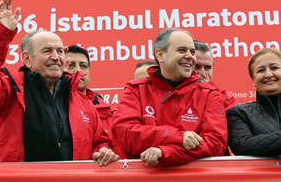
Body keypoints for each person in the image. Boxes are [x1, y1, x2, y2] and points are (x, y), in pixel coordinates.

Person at [0, 0, 118, 166]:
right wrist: (2, 34)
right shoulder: (10, 91)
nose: (56, 57)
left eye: (60, 51)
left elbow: (99, 142)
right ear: (27, 59)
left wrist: (102, 151)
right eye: (47, 51)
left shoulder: (83, 102)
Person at [112, 28, 228, 165]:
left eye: (192, 52)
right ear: (160, 55)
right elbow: (124, 135)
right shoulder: (136, 89)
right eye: (181, 50)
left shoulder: (209, 93)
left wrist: (166, 152)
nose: (190, 56)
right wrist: (177, 137)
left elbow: (215, 143)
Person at [227, 47, 281, 156]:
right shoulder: (239, 113)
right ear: (253, 79)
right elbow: (242, 146)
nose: (268, 74)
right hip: (264, 173)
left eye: (274, 68)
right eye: (261, 70)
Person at [64, 45, 115, 139]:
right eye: (71, 65)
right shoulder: (51, 105)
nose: (78, 71)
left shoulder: (111, 115)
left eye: (83, 66)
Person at [193, 40, 238, 110]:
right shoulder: (174, 95)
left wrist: (211, 92)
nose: (203, 73)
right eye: (196, 66)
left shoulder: (228, 99)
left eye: (207, 68)